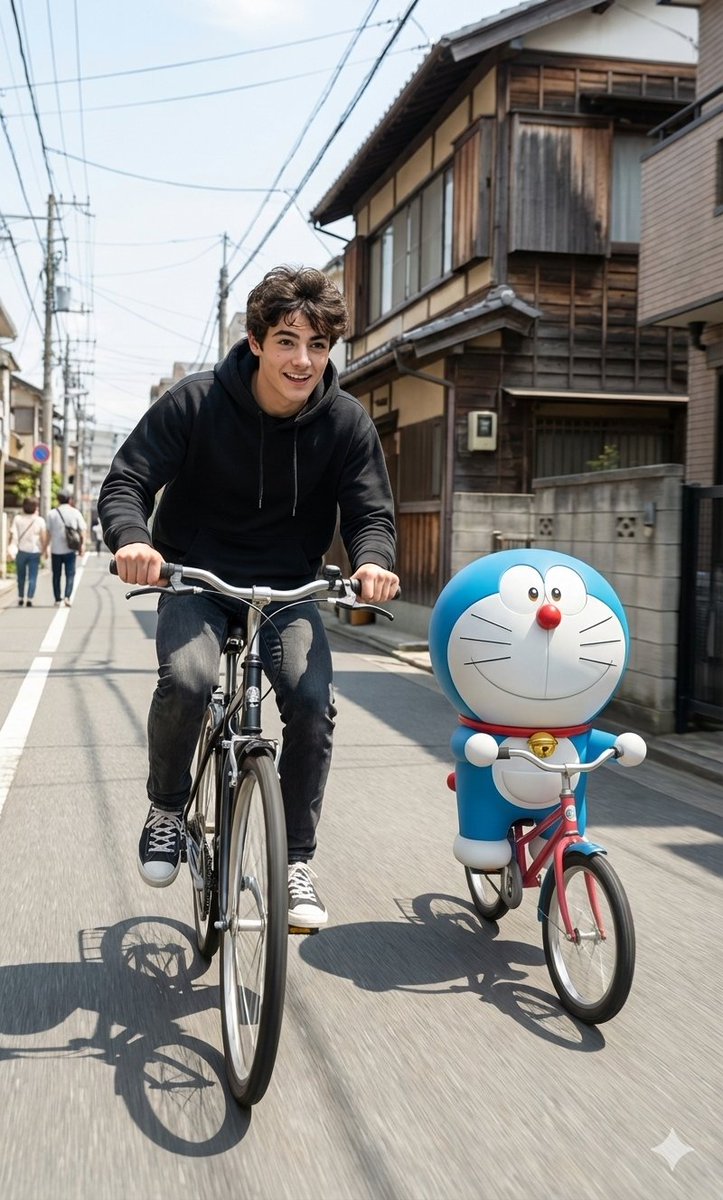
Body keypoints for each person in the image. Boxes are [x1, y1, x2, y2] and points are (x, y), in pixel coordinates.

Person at [98, 265, 398, 928]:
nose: (303, 360)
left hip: (290, 584)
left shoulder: (345, 422)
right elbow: (126, 483)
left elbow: (370, 513)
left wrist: (373, 562)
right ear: (256, 340)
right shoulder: (196, 402)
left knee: (313, 702)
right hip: (196, 576)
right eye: (287, 340)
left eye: (318, 346)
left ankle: (294, 859)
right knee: (189, 678)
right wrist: (133, 542)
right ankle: (168, 808)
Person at [47, 490, 86, 606]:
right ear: (70, 500)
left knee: (56, 575)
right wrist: (82, 546)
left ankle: (57, 599)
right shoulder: (75, 512)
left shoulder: (52, 513)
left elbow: (48, 532)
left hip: (56, 549)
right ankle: (67, 597)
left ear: (58, 500)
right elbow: (82, 530)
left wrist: (45, 548)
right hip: (71, 549)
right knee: (70, 574)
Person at [9, 497, 48, 607]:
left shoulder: (18, 519)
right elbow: (43, 537)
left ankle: (21, 597)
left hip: (21, 551)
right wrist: (45, 550)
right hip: (34, 552)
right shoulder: (39, 520)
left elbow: (12, 534)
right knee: (33, 576)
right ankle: (30, 598)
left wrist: (10, 546)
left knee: (20, 576)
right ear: (36, 507)